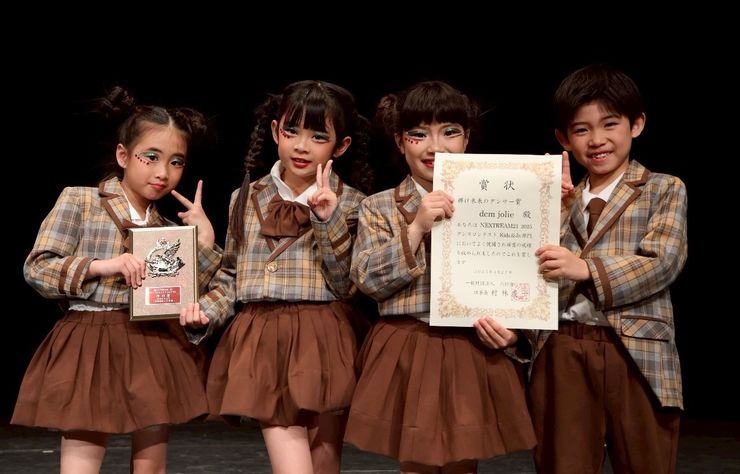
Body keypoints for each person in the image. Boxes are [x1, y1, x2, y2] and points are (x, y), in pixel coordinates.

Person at [12, 87, 222, 474]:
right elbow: (37, 268)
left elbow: (194, 292)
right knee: (81, 462)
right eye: (151, 157)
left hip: (151, 341)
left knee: (151, 465)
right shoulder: (81, 200)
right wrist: (101, 266)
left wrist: (204, 241)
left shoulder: (166, 229)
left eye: (176, 162)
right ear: (123, 155)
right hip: (90, 338)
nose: (163, 173)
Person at [180, 80, 372, 474]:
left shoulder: (354, 202)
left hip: (325, 338)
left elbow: (347, 285)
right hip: (262, 336)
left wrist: (328, 220)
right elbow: (232, 275)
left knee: (324, 465)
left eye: (318, 136)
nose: (301, 146)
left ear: (340, 146)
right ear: (274, 131)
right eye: (291, 131)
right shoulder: (245, 197)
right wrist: (206, 311)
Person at [344, 80, 536, 474]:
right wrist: (415, 228)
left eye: (450, 132)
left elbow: (524, 274)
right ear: (400, 142)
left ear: (467, 139)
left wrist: (516, 332)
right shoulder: (380, 205)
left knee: (463, 462)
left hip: (472, 345)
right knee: (415, 461)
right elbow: (367, 280)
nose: (435, 147)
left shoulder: (500, 198)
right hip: (408, 343)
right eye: (419, 134)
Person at [531, 64, 688, 474]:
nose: (597, 139)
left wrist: (585, 269)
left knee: (646, 462)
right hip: (562, 347)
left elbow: (663, 262)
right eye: (581, 130)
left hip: (635, 350)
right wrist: (555, 210)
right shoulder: (555, 197)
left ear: (636, 124)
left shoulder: (663, 188)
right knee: (562, 463)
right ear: (564, 139)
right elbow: (531, 269)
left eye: (610, 124)